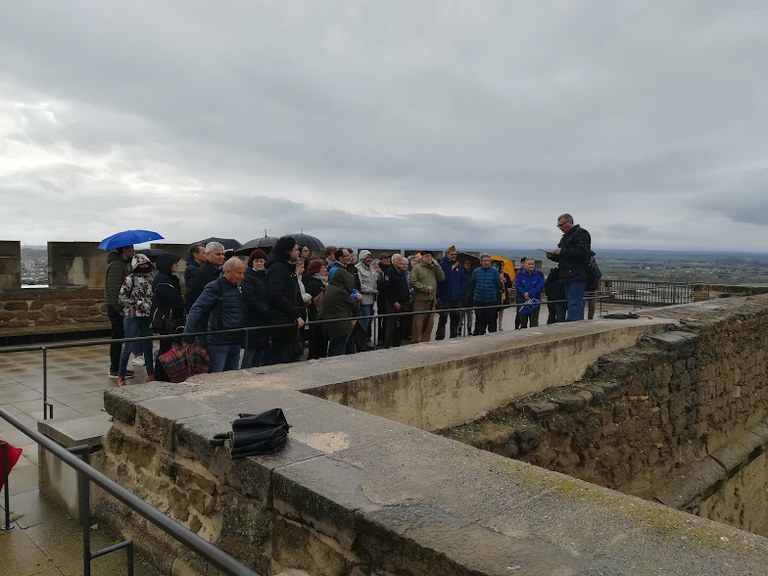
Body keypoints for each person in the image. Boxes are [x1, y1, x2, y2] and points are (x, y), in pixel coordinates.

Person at [184, 257, 246, 373]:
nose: (242, 276)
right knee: (216, 377)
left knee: (233, 377)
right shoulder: (215, 287)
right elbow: (198, 308)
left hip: (236, 340)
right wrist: (188, 333)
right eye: (239, 273)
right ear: (227, 271)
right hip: (219, 341)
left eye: (243, 273)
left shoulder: (238, 288)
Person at [116, 253, 154, 387]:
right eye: (141, 264)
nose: (144, 266)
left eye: (146, 264)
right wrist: (138, 303)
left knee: (148, 346)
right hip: (132, 315)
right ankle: (120, 376)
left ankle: (151, 374)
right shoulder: (129, 279)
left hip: (146, 316)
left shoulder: (151, 279)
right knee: (129, 346)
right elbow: (121, 298)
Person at [265, 236, 305, 365]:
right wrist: (295, 313)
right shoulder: (278, 268)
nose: (298, 252)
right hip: (280, 321)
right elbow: (276, 294)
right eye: (295, 249)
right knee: (279, 361)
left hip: (287, 321)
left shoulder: (286, 268)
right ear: (287, 251)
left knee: (288, 358)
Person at [546, 213, 592, 322]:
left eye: (562, 225)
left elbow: (582, 252)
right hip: (566, 274)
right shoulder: (565, 237)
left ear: (570, 222)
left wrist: (562, 251)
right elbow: (563, 257)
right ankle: (577, 324)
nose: (560, 228)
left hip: (577, 274)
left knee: (574, 302)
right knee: (572, 302)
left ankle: (572, 325)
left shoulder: (582, 233)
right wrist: (552, 256)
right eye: (559, 226)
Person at [151, 253, 185, 380]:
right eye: (174, 263)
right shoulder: (163, 280)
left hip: (171, 318)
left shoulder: (169, 278)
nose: (177, 265)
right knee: (165, 348)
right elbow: (172, 300)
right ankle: (160, 376)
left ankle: (166, 374)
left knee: (168, 347)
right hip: (167, 319)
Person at [105, 244, 135, 380]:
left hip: (119, 307)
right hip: (116, 307)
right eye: (131, 249)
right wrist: (120, 309)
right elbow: (114, 289)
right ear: (125, 250)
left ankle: (117, 367)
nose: (133, 251)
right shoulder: (117, 265)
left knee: (119, 337)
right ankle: (115, 369)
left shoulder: (122, 264)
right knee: (117, 337)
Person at [321, 267, 362, 356]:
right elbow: (352, 304)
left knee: (334, 347)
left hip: (332, 323)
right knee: (338, 350)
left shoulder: (330, 287)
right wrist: (357, 298)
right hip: (340, 324)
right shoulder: (340, 291)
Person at [240, 249, 269, 368]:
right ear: (251, 262)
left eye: (261, 261)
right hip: (252, 319)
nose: (259, 263)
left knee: (260, 353)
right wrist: (265, 310)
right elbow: (250, 299)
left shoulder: (266, 276)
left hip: (263, 320)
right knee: (250, 354)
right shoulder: (247, 277)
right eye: (256, 261)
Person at [410, 251, 445, 343]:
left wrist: (437, 265)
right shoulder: (416, 268)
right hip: (420, 299)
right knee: (418, 322)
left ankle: (426, 340)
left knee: (430, 323)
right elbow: (413, 282)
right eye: (427, 256)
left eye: (431, 256)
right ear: (421, 258)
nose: (429, 258)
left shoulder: (433, 268)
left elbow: (442, 278)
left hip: (431, 299)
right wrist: (425, 288)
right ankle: (416, 340)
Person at [435, 245, 466, 340]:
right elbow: (438, 280)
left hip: (456, 297)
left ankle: (453, 335)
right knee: (443, 318)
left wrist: (460, 291)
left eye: (455, 254)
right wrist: (439, 295)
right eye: (452, 254)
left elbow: (463, 280)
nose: (453, 256)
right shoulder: (441, 265)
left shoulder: (458, 266)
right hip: (445, 296)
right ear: (447, 254)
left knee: (455, 318)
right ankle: (440, 336)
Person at [379, 253, 409, 348]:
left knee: (401, 323)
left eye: (402, 260)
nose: (401, 262)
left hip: (403, 301)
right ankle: (388, 344)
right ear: (394, 261)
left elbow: (405, 286)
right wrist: (394, 301)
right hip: (392, 302)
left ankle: (397, 342)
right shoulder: (390, 272)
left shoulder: (401, 272)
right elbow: (387, 289)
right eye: (399, 260)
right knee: (391, 323)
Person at [471, 253, 502, 335]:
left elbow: (497, 285)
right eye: (484, 261)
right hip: (479, 300)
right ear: (480, 262)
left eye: (488, 261)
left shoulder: (494, 272)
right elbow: (473, 284)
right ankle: (478, 336)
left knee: (492, 321)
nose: (486, 262)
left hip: (491, 300)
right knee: (479, 321)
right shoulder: (476, 271)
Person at [303, 259, 328, 360]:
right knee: (318, 341)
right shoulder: (316, 284)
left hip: (317, 316)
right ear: (316, 270)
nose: (325, 269)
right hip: (317, 316)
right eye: (322, 267)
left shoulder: (318, 282)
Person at [355, 249, 378, 349]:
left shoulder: (371, 268)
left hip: (372, 300)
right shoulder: (358, 268)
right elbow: (360, 285)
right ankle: (360, 343)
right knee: (363, 322)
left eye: (370, 257)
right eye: (367, 257)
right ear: (362, 258)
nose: (369, 259)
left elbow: (375, 279)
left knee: (368, 322)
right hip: (363, 300)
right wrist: (372, 290)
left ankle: (366, 340)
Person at [513, 258, 545, 329]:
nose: (531, 266)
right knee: (523, 323)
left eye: (532, 264)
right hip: (522, 301)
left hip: (535, 302)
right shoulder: (519, 274)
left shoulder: (539, 274)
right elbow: (518, 285)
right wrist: (525, 293)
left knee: (534, 323)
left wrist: (530, 293)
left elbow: (539, 286)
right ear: (525, 265)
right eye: (529, 264)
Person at [495, 260, 513, 331]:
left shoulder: (506, 275)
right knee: (495, 310)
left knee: (502, 310)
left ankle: (500, 325)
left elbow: (510, 284)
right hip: (497, 294)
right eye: (501, 266)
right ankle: (495, 325)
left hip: (504, 294)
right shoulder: (495, 274)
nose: (502, 267)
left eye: (503, 266)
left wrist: (506, 281)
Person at [585, 251, 602, 319]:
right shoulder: (584, 265)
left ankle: (590, 319)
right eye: (592, 256)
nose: (593, 258)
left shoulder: (594, 265)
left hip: (593, 289)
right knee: (581, 306)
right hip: (585, 289)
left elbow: (599, 275)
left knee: (592, 307)